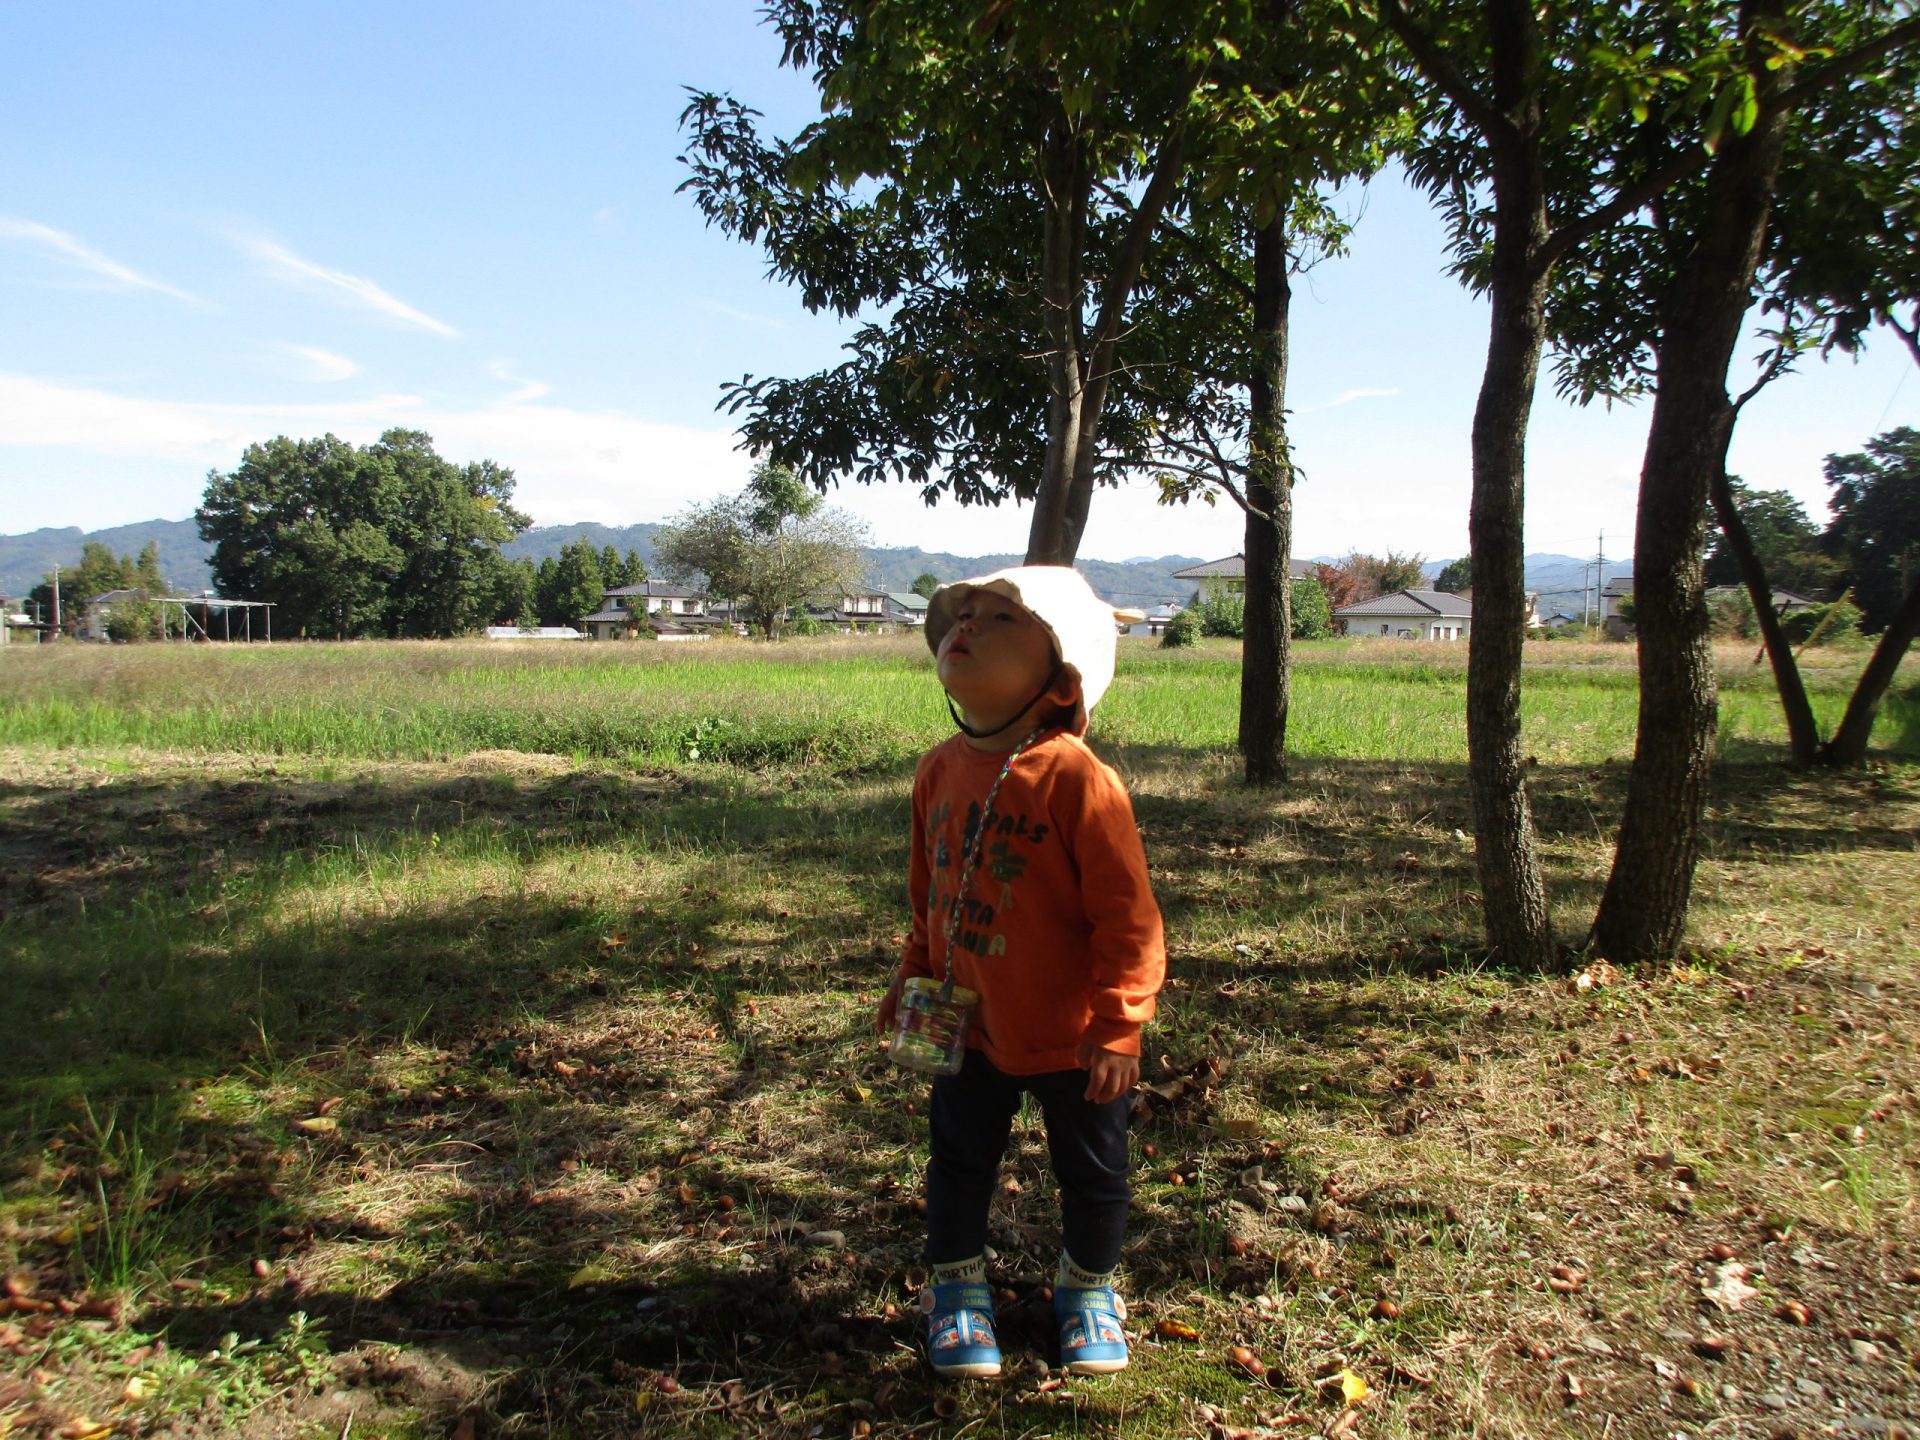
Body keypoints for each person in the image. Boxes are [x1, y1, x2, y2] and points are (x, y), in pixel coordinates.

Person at [876, 565, 1166, 1379]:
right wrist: (913, 972)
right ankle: (958, 1291)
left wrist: (1120, 1024)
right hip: (968, 1025)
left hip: (1076, 1039)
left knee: (1095, 1172)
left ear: (1060, 677)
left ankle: (1087, 1290)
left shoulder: (1076, 778)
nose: (966, 625)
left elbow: (1130, 918)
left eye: (1000, 618)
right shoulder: (937, 770)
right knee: (958, 1161)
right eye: (962, 614)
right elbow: (929, 895)